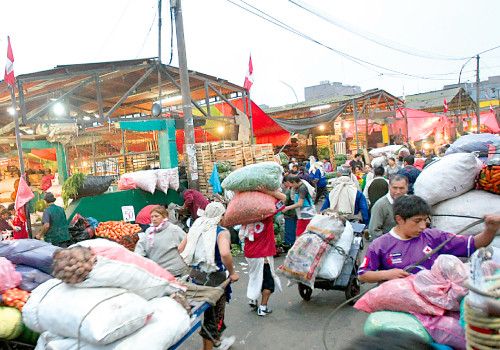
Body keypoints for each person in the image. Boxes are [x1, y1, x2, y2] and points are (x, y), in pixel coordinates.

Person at [359, 195, 500, 283]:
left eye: (425, 220)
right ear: (399, 219)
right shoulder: (380, 244)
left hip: (433, 299)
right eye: (417, 221)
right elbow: (363, 275)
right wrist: (387, 274)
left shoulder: (434, 237)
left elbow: (474, 244)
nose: (423, 225)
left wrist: (490, 230)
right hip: (396, 304)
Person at [178, 202, 239, 350]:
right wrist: (232, 273)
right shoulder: (221, 232)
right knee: (213, 316)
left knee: (211, 314)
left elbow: (181, 249)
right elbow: (225, 253)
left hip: (195, 276)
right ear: (220, 217)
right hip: (214, 279)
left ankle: (217, 341)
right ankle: (211, 346)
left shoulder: (196, 228)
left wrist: (195, 263)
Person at [239, 186, 285, 316]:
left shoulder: (243, 215)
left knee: (254, 275)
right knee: (267, 282)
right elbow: (284, 200)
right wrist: (268, 192)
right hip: (262, 254)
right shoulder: (267, 214)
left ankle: (253, 298)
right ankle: (263, 307)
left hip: (250, 252)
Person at [134, 206, 187, 277]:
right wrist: (137, 259)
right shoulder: (149, 231)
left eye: (156, 216)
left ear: (164, 217)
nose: (154, 219)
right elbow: (140, 247)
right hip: (156, 272)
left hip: (174, 272)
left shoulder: (174, 230)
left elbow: (187, 245)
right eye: (152, 217)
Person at [367, 175, 408, 240]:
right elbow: (374, 230)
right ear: (389, 187)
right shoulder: (380, 205)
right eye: (395, 188)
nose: (398, 192)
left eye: (402, 188)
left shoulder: (411, 203)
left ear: (407, 188)